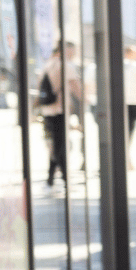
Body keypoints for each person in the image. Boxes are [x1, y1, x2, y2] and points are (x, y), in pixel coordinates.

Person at [40, 41, 82, 188]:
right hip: (59, 109)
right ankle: (62, 176)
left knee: (55, 143)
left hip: (47, 110)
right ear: (65, 50)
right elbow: (75, 86)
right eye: (73, 51)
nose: (74, 54)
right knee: (60, 144)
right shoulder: (66, 65)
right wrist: (86, 100)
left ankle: (53, 176)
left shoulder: (48, 64)